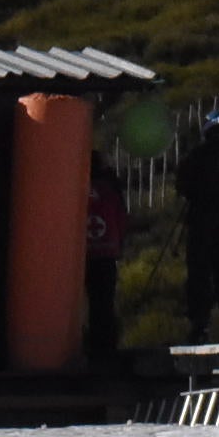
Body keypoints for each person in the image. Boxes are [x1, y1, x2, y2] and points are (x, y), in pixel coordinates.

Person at [177, 112, 219, 342]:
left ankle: (200, 324)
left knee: (199, 271)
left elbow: (182, 184)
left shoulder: (199, 152)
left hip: (200, 218)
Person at [84, 156, 130, 366]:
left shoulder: (76, 184)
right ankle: (105, 349)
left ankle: (87, 346)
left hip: (82, 256)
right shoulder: (112, 189)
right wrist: (119, 245)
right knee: (104, 304)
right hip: (108, 254)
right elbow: (121, 219)